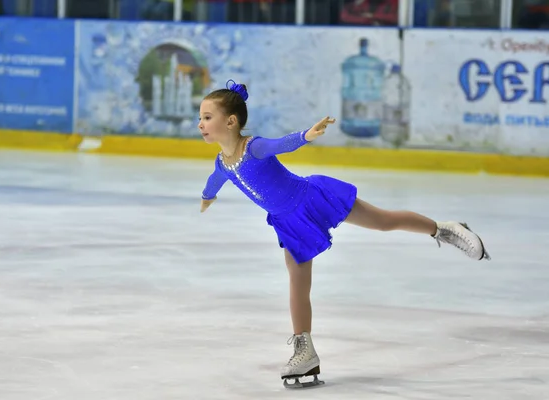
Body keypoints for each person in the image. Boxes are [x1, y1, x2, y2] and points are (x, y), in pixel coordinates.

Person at [198, 80, 490, 388]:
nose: (200, 123)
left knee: (382, 221)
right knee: (297, 283)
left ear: (230, 121)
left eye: (207, 117)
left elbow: (280, 144)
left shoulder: (253, 147)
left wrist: (305, 136)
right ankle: (304, 349)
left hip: (313, 198)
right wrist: (207, 196)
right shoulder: (223, 162)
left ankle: (443, 229)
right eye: (201, 117)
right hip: (289, 221)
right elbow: (215, 179)